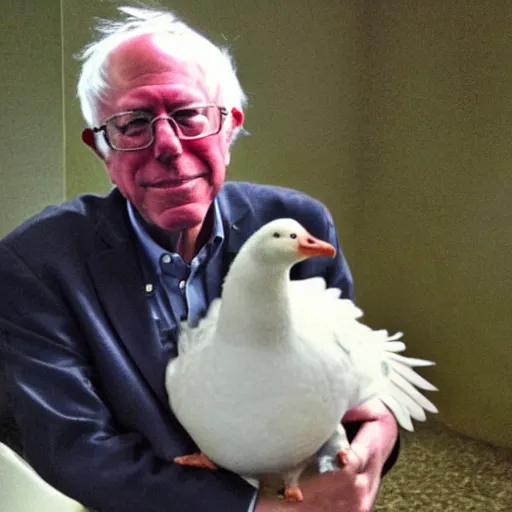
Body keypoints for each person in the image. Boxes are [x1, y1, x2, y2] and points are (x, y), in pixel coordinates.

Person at [0, 6, 399, 511]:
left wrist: (378, 432)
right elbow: (76, 448)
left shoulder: (300, 225)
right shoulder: (35, 264)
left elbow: (342, 387)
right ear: (102, 148)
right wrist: (255, 509)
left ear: (229, 127)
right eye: (132, 123)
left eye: (189, 114)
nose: (167, 145)